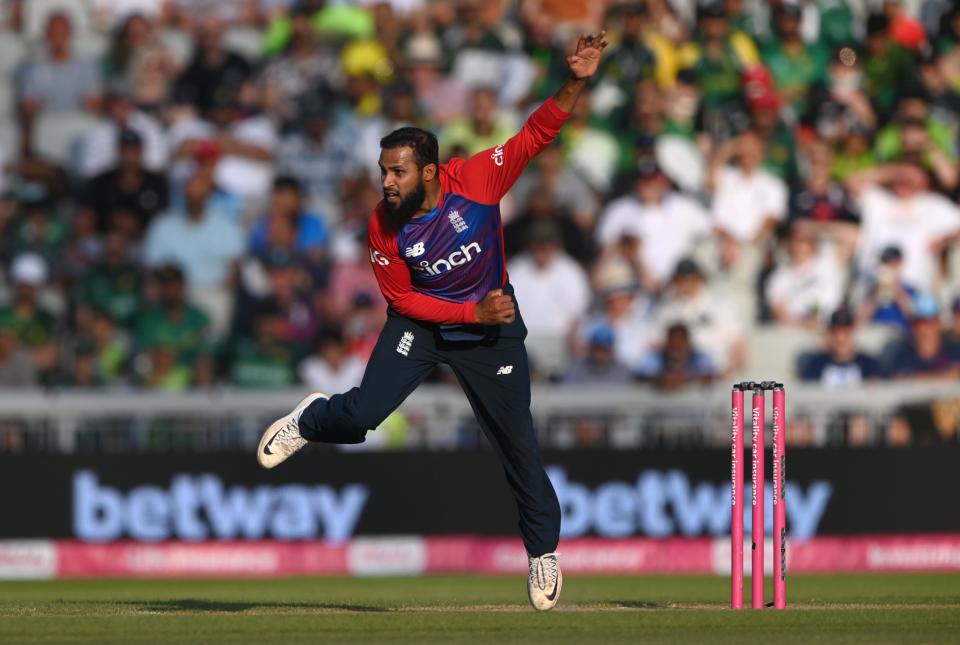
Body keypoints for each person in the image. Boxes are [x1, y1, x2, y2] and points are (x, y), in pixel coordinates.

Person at [256, 31, 610, 612]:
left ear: (429, 171)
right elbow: (403, 302)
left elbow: (537, 132)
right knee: (364, 414)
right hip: (423, 327)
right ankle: (313, 418)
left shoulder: (476, 180)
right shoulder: (382, 224)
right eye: (382, 171)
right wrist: (470, 309)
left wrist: (576, 80)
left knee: (518, 446)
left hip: (490, 334)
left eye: (397, 172)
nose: (386, 182)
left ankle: (542, 552)